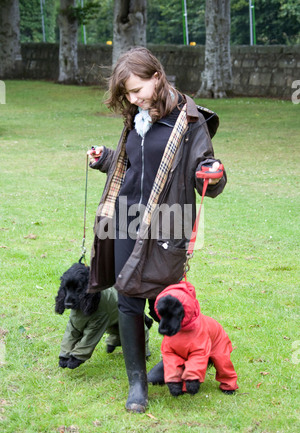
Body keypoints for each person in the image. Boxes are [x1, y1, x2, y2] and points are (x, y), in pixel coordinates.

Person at [86, 47, 227, 413]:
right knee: (129, 297)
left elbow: (206, 169)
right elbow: (133, 162)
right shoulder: (137, 116)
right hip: (128, 216)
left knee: (166, 298)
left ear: (156, 77)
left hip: (169, 219)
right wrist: (105, 159)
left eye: (136, 90)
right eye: (127, 94)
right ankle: (136, 384)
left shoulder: (188, 121)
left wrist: (213, 172)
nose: (132, 99)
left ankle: (171, 360)